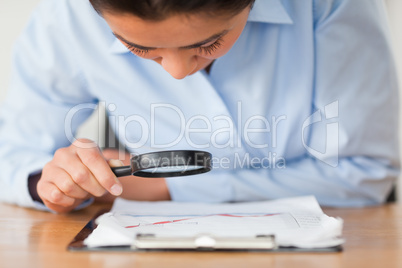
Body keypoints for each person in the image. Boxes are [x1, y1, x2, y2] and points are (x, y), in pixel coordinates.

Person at [0, 0, 399, 213]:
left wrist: (168, 188)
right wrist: (48, 182)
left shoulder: (331, 4)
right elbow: (10, 155)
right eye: (139, 48)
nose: (175, 73)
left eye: (208, 44)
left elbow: (365, 172)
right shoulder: (67, 17)